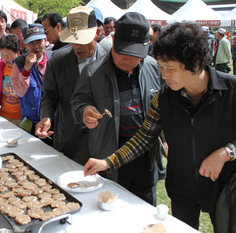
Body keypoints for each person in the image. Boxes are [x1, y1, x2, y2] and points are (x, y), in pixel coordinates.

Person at [82, 22, 236, 232]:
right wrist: (107, 162)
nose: (164, 75)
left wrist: (227, 152)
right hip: (182, 187)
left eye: (170, 68)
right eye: (161, 67)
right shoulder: (164, 97)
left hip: (225, 187)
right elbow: (144, 137)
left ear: (196, 62)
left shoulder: (231, 90)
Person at [71, 12, 164, 206]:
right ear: (113, 39)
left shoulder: (153, 68)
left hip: (144, 153)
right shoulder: (92, 72)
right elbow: (77, 103)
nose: (127, 60)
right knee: (110, 207)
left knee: (144, 206)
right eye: (122, 52)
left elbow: (163, 109)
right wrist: (84, 111)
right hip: (109, 152)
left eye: (135, 56)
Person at [35, 6, 111, 164]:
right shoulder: (57, 61)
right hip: (70, 135)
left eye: (82, 40)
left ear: (97, 33)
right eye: (73, 40)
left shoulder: (111, 58)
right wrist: (46, 117)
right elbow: (49, 95)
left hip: (105, 136)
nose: (77, 46)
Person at [11, 23, 52, 145]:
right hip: (30, 122)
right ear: (25, 44)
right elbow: (19, 92)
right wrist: (26, 70)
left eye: (39, 41)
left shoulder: (54, 60)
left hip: (52, 120)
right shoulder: (19, 63)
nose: (36, 46)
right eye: (31, 43)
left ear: (46, 40)